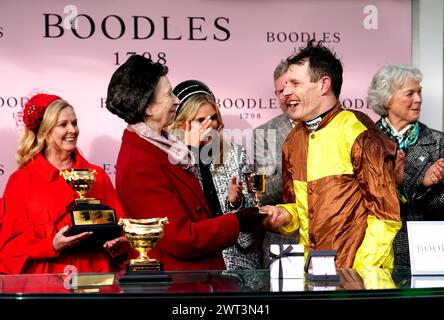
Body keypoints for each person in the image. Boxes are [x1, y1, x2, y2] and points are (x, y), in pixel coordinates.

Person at [105, 55, 263, 271]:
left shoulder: (159, 149)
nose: (177, 101)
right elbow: (181, 238)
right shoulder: (141, 161)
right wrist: (237, 222)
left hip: (198, 277)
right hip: (180, 285)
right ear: (148, 107)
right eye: (169, 93)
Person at [261, 40, 401, 269]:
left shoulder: (359, 132)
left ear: (323, 85)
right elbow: (300, 208)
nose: (286, 92)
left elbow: (385, 216)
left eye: (295, 83)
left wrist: (358, 273)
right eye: (285, 85)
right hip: (313, 274)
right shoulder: (292, 141)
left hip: (357, 281)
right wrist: (284, 215)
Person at [0, 93, 128, 274]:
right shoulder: (21, 181)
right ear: (45, 132)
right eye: (63, 125)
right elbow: (9, 247)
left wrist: (120, 243)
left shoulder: (97, 175)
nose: (73, 130)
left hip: (95, 278)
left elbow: (120, 225)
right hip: (45, 283)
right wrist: (51, 245)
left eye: (74, 123)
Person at [168, 79, 261, 270]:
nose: (209, 125)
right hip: (197, 259)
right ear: (183, 125)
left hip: (239, 257)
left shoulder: (237, 153)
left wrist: (235, 202)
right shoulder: (175, 160)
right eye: (200, 120)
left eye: (213, 117)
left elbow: (255, 205)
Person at [367, 64, 444, 267]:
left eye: (419, 93)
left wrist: (423, 186)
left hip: (429, 253)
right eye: (410, 93)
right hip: (376, 253)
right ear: (386, 99)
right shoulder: (365, 142)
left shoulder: (438, 142)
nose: (418, 99)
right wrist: (392, 185)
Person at [253, 60, 299, 267]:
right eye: (281, 91)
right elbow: (259, 191)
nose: (287, 95)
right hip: (284, 240)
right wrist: (295, 171)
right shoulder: (265, 134)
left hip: (330, 237)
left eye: (292, 87)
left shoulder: (333, 127)